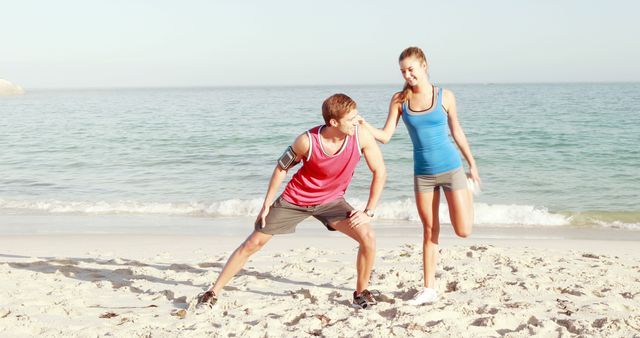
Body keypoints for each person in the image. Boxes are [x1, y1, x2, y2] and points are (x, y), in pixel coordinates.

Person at [197, 93, 387, 309]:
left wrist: (368, 211)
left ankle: (361, 293)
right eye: (352, 118)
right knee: (253, 243)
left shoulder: (361, 136)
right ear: (334, 122)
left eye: (357, 116)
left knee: (368, 236)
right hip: (296, 199)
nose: (358, 121)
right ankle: (212, 292)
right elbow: (281, 168)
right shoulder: (307, 141)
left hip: (332, 201)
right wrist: (267, 204)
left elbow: (379, 171)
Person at [358, 46, 481, 305]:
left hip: (451, 168)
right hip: (423, 174)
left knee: (463, 231)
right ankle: (429, 288)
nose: (408, 75)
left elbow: (457, 132)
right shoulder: (399, 100)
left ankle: (466, 191)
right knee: (428, 229)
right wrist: (363, 123)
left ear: (424, 65)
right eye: (403, 71)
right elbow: (385, 136)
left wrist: (472, 164)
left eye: (411, 69)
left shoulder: (444, 96)